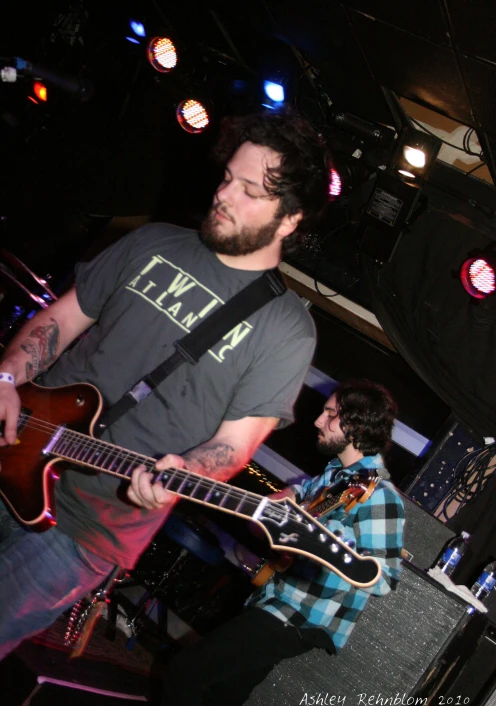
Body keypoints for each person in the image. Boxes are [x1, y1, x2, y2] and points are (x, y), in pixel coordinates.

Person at [0, 108, 331, 661]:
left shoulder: (286, 329)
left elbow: (232, 446)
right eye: (228, 177)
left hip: (87, 528)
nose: (225, 194)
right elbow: (56, 323)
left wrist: (186, 471)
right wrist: (8, 377)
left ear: (290, 219)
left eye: (250, 190)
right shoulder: (154, 241)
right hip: (14, 442)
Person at [124, 379, 405, 706]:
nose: (317, 420)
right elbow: (287, 509)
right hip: (276, 598)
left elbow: (383, 579)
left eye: (330, 414)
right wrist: (273, 507)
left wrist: (329, 543)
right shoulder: (334, 478)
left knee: (187, 672)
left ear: (357, 426)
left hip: (302, 614)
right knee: (222, 698)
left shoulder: (380, 496)